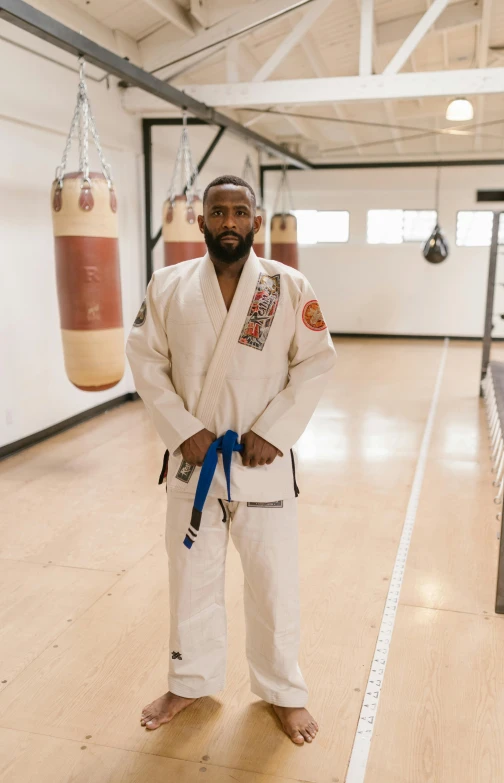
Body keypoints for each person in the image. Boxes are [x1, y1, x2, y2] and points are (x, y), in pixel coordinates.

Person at [125, 174, 337, 745]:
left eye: (239, 212)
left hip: (261, 466)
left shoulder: (286, 287)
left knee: (273, 584)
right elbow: (146, 362)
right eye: (217, 213)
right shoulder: (166, 285)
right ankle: (190, 680)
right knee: (190, 580)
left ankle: (284, 693)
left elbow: (315, 362)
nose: (228, 222)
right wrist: (183, 429)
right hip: (194, 466)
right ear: (200, 221)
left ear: (256, 222)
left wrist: (275, 431)